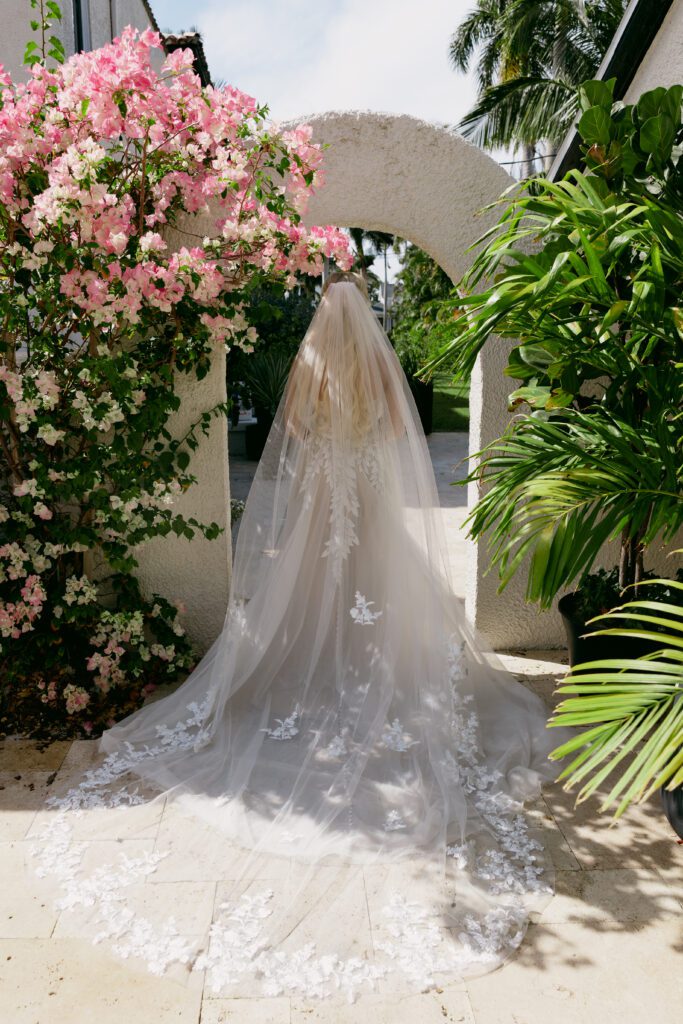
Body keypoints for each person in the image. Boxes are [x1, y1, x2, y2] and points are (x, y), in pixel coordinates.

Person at [31, 272, 563, 1001]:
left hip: (323, 504)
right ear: (365, 315)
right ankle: (369, 671)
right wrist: (367, 445)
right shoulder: (377, 365)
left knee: (312, 595)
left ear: (321, 315)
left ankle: (318, 670)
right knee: (378, 591)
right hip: (369, 497)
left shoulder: (311, 365)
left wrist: (331, 453)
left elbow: (297, 435)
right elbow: (404, 434)